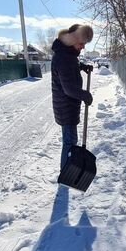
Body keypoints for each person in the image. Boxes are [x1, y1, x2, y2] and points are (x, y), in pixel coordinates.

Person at [51, 24, 94, 171]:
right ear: (73, 39)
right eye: (81, 43)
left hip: (67, 106)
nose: (82, 47)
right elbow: (69, 88)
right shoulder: (64, 57)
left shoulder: (67, 53)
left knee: (70, 140)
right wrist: (85, 95)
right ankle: (66, 173)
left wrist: (82, 66)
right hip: (66, 107)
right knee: (69, 142)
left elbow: (71, 65)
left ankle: (67, 169)